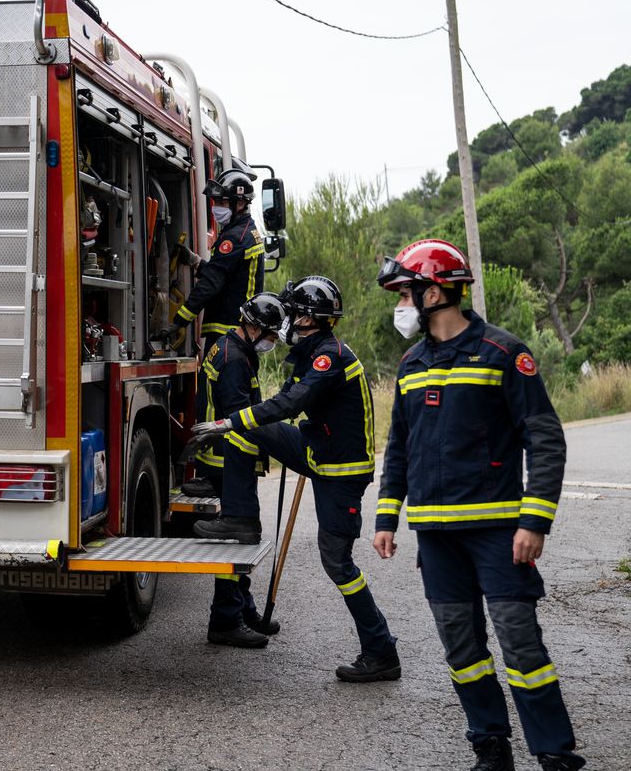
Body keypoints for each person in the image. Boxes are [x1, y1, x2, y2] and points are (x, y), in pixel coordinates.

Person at [374, 239, 584, 771]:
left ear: (437, 291)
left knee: (520, 645)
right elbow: (399, 446)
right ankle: (490, 746)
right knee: (461, 651)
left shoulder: (503, 353)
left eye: (406, 292)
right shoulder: (411, 364)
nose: (401, 304)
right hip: (435, 538)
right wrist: (387, 517)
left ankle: (555, 753)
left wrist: (534, 520)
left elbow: (544, 439)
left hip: (497, 532)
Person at [190, 276, 399, 682]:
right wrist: (233, 424)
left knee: (337, 563)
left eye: (293, 312)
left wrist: (229, 420)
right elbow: (278, 402)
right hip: (317, 453)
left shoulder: (331, 357)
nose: (286, 320)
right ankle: (241, 517)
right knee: (247, 425)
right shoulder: (311, 351)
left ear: (307, 318)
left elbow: (294, 401)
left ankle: (381, 650)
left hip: (341, 473)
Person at [158, 157, 266, 497]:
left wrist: (177, 323)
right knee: (225, 407)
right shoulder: (245, 233)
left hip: (227, 334)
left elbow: (211, 287)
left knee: (212, 406)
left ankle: (214, 478)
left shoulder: (235, 237)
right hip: (238, 334)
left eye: (220, 201)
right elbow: (224, 273)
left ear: (238, 201)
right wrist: (195, 261)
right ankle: (222, 481)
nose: (215, 207)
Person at [189, 292, 286, 647]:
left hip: (225, 459)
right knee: (237, 539)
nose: (273, 342)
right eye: (271, 335)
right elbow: (238, 419)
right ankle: (226, 619)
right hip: (228, 460)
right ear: (256, 328)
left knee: (243, 537)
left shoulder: (230, 347)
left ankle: (243, 608)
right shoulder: (234, 360)